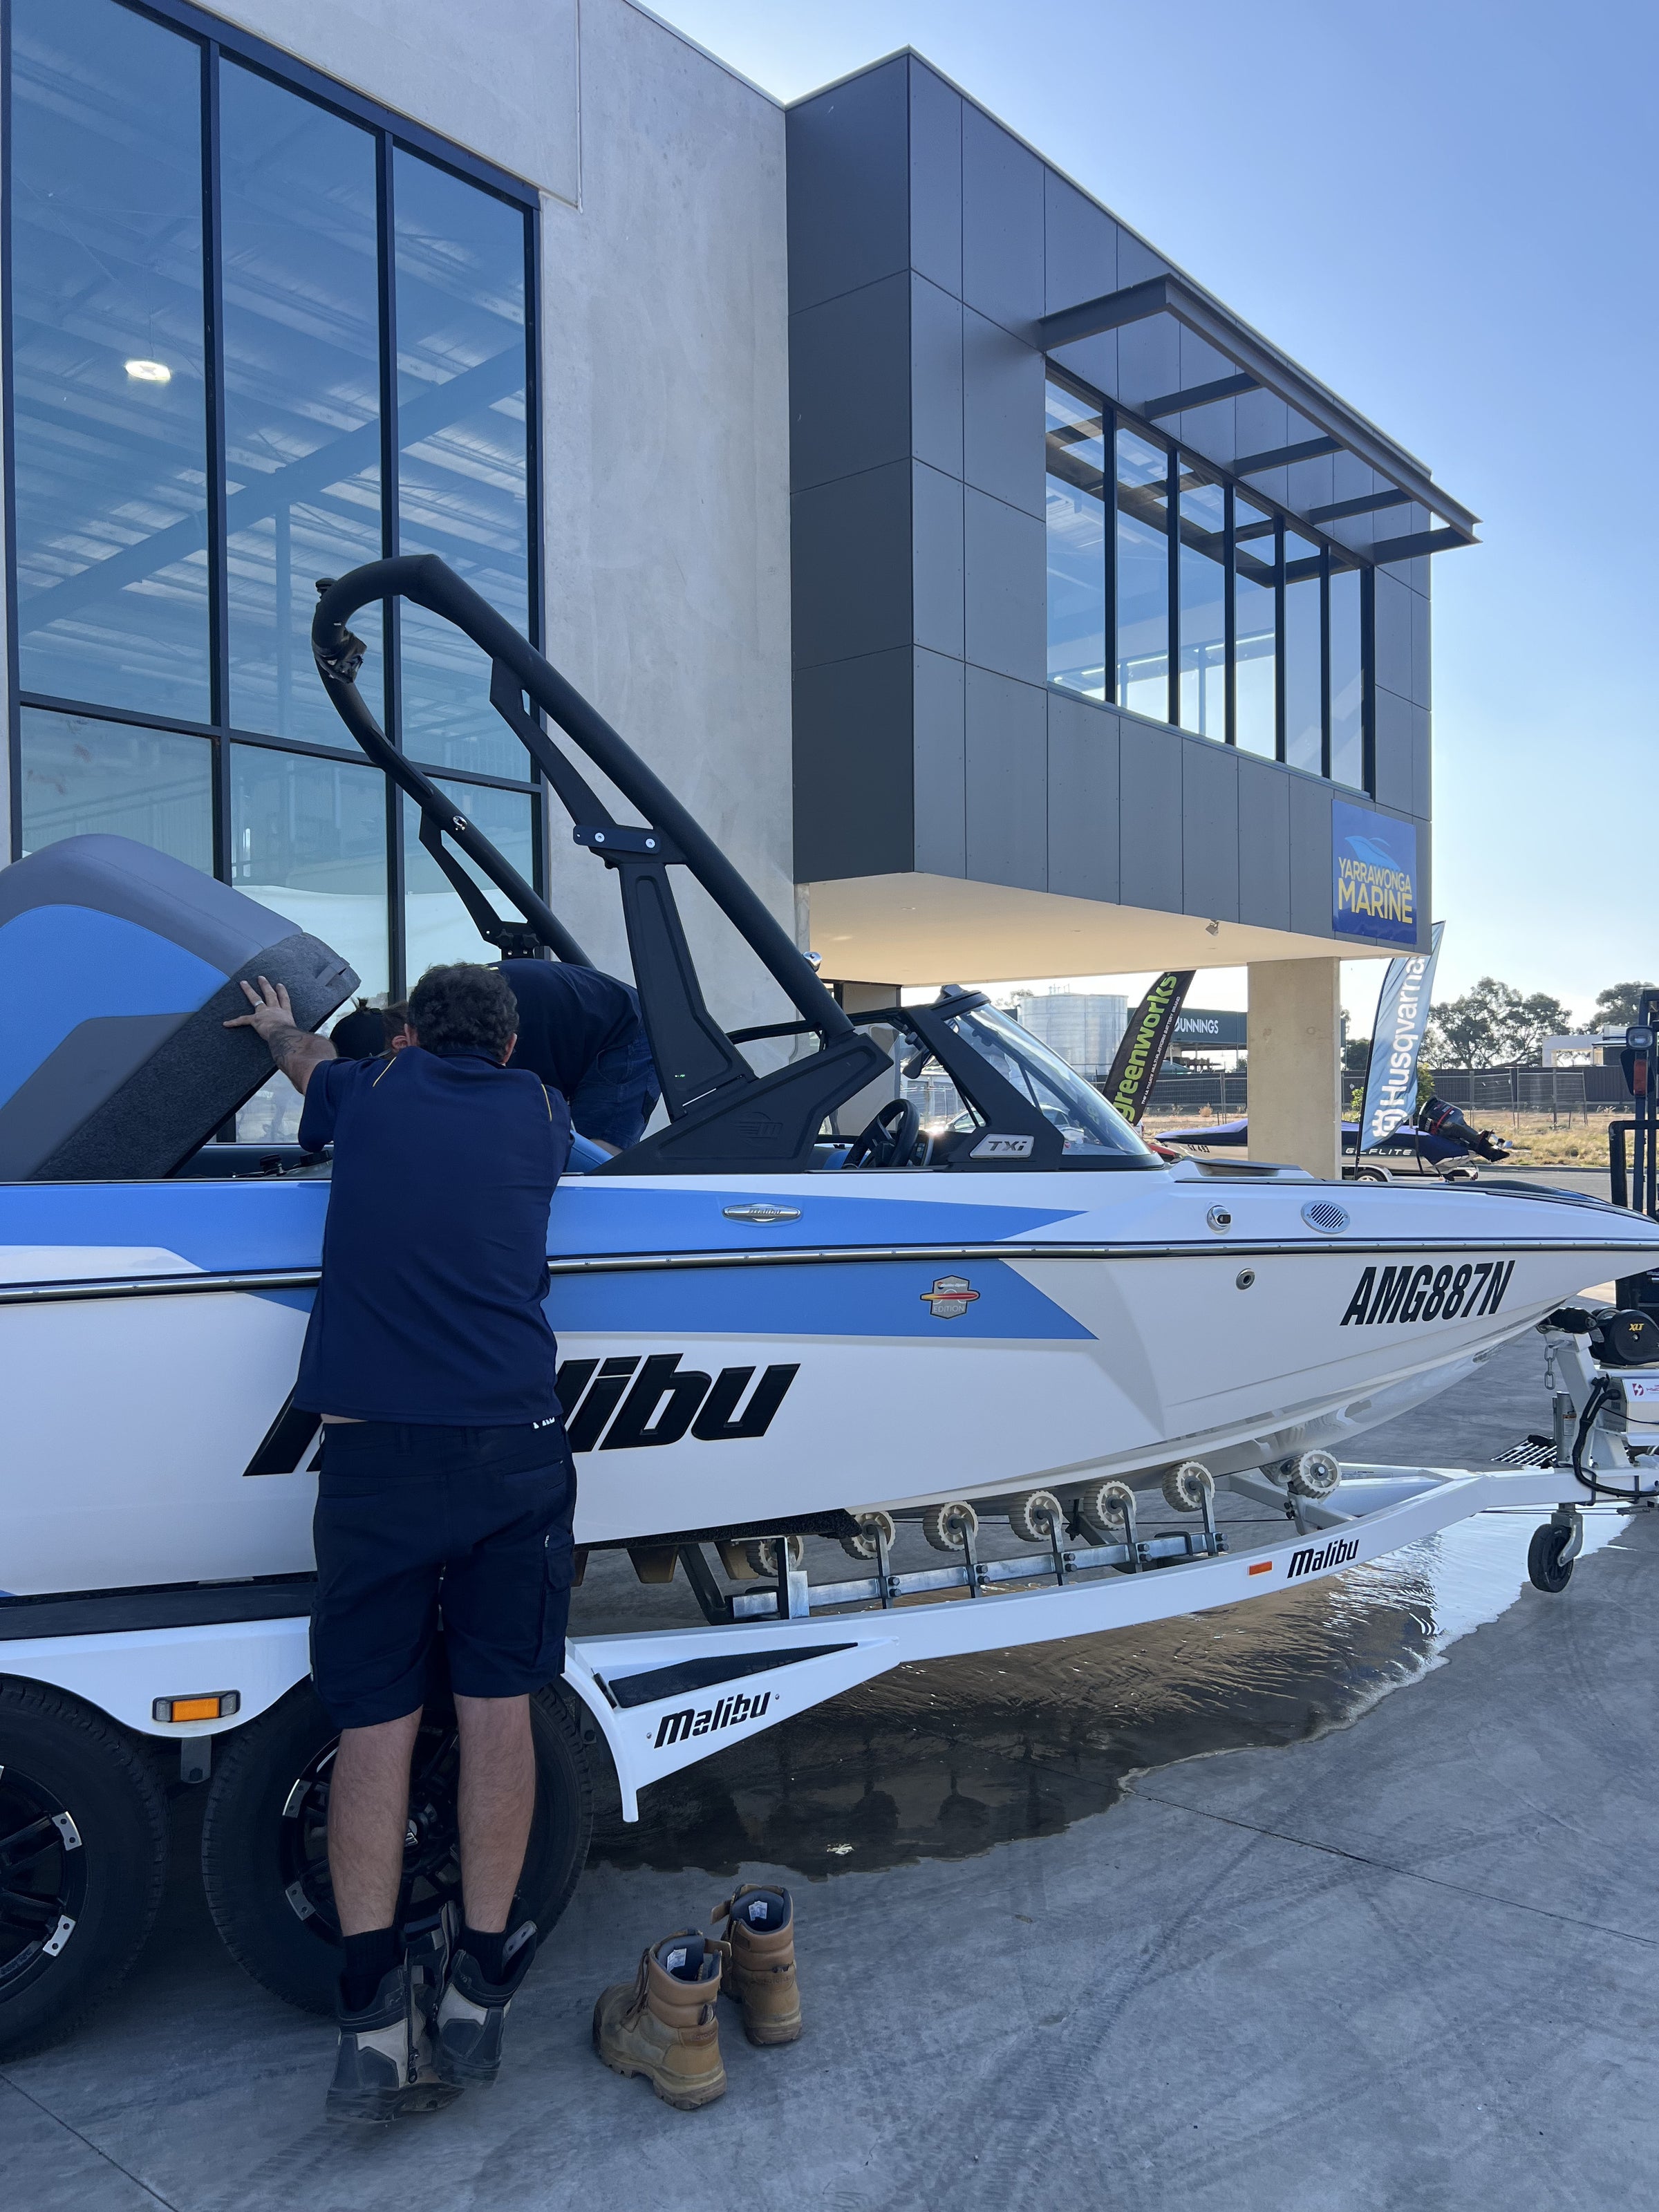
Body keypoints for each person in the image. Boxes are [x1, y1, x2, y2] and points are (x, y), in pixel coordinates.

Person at [226, 962, 575, 2124]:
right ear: (512, 1049)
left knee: (374, 1722)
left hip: (377, 1456)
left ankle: (372, 2004)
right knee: (496, 1708)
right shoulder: (542, 1112)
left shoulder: (371, 1093)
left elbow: (310, 1069)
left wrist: (282, 1028)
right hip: (512, 1451)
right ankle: (478, 1985)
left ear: (414, 1034)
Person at [490, 957, 659, 1154]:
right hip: (550, 1010)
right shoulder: (456, 1006)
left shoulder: (480, 1037)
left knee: (596, 1151)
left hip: (625, 1028)